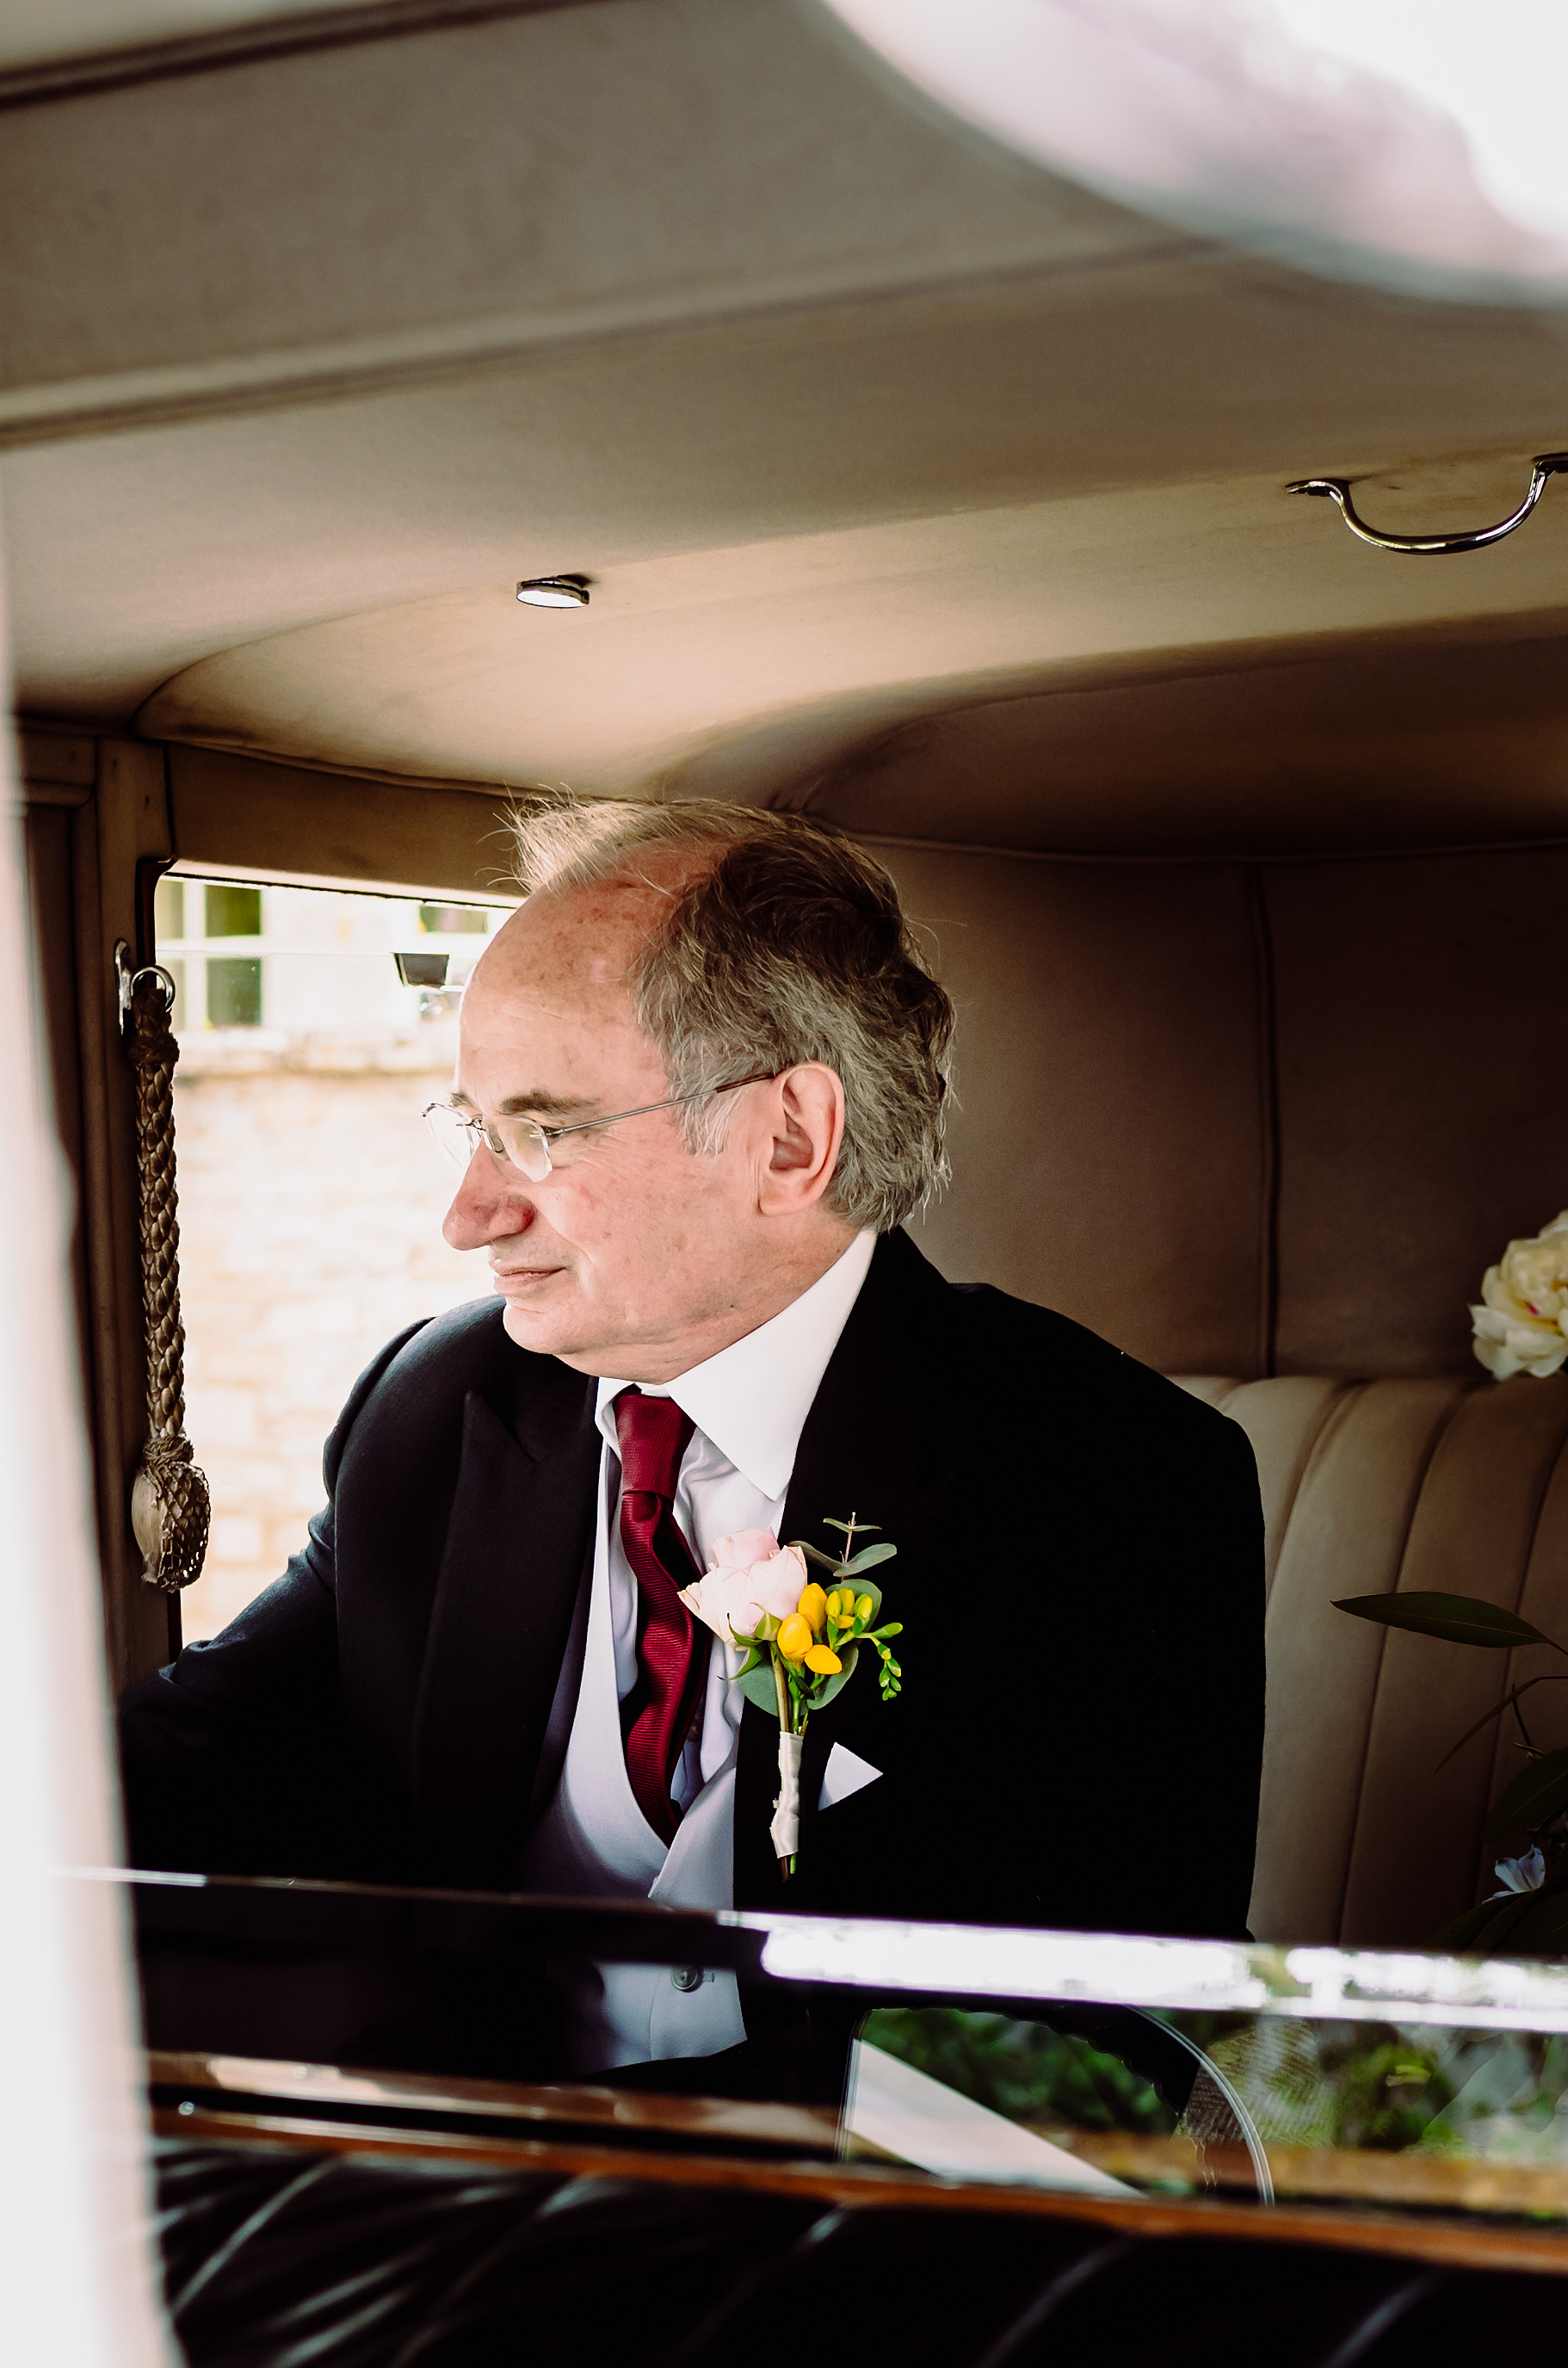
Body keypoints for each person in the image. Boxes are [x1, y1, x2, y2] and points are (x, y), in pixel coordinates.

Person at [118, 797, 1268, 2075]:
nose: (468, 1215)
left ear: (788, 1140)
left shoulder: (1114, 1484)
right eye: (472, 1129)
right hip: (460, 2197)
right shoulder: (439, 1411)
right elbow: (202, 1754)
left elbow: (1081, 2044)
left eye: (541, 1132)